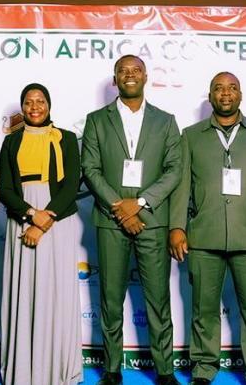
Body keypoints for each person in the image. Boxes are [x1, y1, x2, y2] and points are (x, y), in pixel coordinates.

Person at [169, 72, 246, 385]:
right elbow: (182, 187)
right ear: (210, 96)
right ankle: (204, 369)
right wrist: (177, 228)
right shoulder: (191, 135)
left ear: (240, 94)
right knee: (203, 310)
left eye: (232, 88)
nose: (225, 94)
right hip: (203, 236)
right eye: (219, 89)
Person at [81, 54, 182, 385]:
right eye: (123, 71)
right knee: (110, 298)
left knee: (158, 299)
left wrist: (138, 204)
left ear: (145, 76)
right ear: (114, 79)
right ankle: (112, 369)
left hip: (151, 220)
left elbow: (174, 170)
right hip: (111, 222)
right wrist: (119, 207)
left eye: (135, 70)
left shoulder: (166, 121)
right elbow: (91, 169)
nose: (129, 75)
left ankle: (164, 370)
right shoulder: (97, 119)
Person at [0, 83, 82, 385]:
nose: (35, 107)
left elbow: (72, 183)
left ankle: (56, 366)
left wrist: (45, 219)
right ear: (22, 108)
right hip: (22, 218)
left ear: (49, 104)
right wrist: (31, 215)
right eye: (29, 102)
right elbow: (5, 188)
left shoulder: (67, 139)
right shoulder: (11, 142)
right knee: (26, 291)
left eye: (40, 101)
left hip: (58, 222)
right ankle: (24, 369)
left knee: (55, 291)